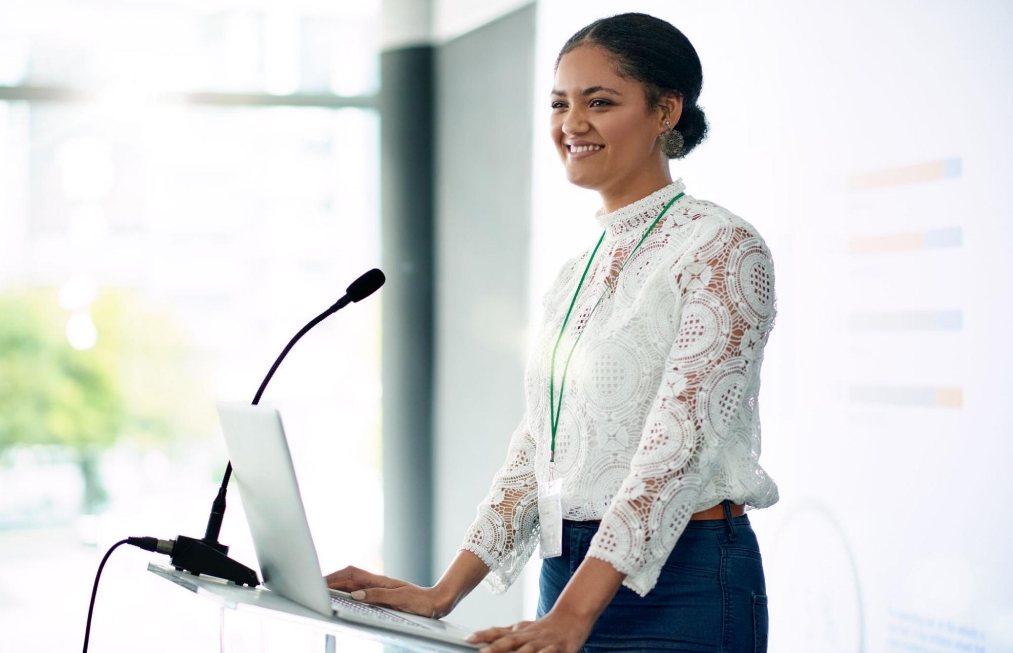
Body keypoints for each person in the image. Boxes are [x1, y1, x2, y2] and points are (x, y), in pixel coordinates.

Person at [327, 12, 778, 653]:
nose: (572, 123)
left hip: (686, 585)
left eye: (601, 102)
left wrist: (575, 614)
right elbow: (537, 449)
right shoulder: (575, 273)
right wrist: (443, 591)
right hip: (565, 578)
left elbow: (674, 454)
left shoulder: (723, 247)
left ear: (666, 111)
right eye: (560, 103)